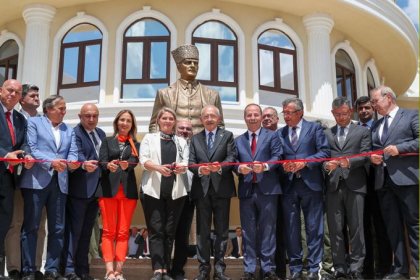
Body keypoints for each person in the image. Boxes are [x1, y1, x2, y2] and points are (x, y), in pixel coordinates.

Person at [20, 95, 79, 280]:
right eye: (60, 108)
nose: (64, 111)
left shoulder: (69, 130)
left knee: (58, 228)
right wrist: (51, 163)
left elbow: (73, 153)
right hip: (37, 181)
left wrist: (71, 163)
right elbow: (32, 148)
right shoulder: (35, 123)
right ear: (48, 109)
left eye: (64, 108)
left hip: (60, 183)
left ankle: (51, 269)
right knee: (31, 226)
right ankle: (29, 269)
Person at [277, 98, 330, 280]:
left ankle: (314, 268)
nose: (285, 116)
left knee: (314, 228)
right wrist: (284, 166)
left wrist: (305, 163)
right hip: (289, 186)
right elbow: (278, 157)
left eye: (289, 112)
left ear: (300, 112)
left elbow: (324, 152)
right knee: (292, 229)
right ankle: (296, 268)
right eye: (284, 112)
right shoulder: (280, 133)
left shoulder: (314, 129)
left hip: (311, 185)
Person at [370, 86, 419, 280]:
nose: (373, 106)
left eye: (375, 101)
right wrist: (373, 158)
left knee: (415, 225)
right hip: (384, 182)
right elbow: (374, 149)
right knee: (393, 227)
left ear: (388, 97)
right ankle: (401, 269)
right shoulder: (376, 126)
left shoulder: (411, 116)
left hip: (407, 180)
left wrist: (400, 148)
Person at [323, 97, 371, 279]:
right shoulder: (327, 133)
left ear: (350, 111)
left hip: (356, 185)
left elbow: (367, 155)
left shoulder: (362, 131)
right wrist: (327, 166)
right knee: (335, 230)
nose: (341, 118)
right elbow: (323, 158)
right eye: (337, 115)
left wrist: (348, 162)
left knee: (356, 229)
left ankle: (356, 269)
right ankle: (340, 269)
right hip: (334, 186)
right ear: (332, 114)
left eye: (344, 114)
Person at [140, 107, 189, 280]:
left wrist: (180, 168)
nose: (168, 121)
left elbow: (185, 163)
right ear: (158, 121)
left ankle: (166, 270)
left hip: (176, 193)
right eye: (165, 118)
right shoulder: (149, 138)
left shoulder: (181, 141)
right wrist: (159, 168)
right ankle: (157, 269)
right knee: (156, 230)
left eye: (171, 118)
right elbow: (144, 160)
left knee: (169, 232)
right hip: (153, 192)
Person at [188, 105, 237, 280]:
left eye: (212, 116)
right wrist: (201, 170)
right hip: (202, 190)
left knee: (222, 231)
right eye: (206, 116)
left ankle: (219, 269)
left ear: (218, 118)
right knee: (202, 232)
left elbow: (232, 157)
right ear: (201, 120)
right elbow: (191, 162)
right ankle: (203, 269)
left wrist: (219, 167)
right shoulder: (195, 139)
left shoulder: (228, 136)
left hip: (222, 189)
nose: (209, 119)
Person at [235, 104, 282, 280]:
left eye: (256, 114)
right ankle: (249, 270)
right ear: (245, 118)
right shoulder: (238, 140)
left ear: (261, 117)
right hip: (247, 190)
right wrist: (240, 169)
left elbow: (278, 157)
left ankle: (268, 268)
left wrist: (265, 166)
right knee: (248, 232)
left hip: (268, 190)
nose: (253, 117)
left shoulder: (273, 136)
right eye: (249, 115)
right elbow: (233, 162)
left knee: (268, 231)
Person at [5, 83, 46, 280]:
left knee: (37, 226)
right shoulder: (16, 117)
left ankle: (34, 267)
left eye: (38, 96)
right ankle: (14, 268)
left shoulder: (44, 121)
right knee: (16, 223)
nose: (37, 99)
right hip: (15, 178)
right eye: (32, 95)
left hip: (39, 181)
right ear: (22, 99)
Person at [62, 103, 106, 280]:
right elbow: (76, 154)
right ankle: (69, 269)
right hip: (79, 191)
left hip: (96, 191)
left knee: (88, 232)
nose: (91, 119)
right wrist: (83, 163)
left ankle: (83, 269)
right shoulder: (75, 133)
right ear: (80, 117)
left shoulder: (101, 133)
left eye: (95, 116)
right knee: (74, 231)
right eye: (88, 116)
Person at [97, 109, 140, 280]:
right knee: (108, 232)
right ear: (117, 122)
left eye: (128, 121)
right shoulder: (107, 141)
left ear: (132, 125)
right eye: (122, 120)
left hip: (128, 192)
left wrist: (127, 165)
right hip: (108, 190)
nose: (125, 123)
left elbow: (135, 161)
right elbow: (102, 160)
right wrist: (109, 165)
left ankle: (119, 271)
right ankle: (109, 271)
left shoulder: (136, 143)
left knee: (123, 232)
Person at [354, 96, 392, 279]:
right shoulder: (353, 130)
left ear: (373, 109)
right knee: (362, 228)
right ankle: (367, 269)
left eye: (367, 108)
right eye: (360, 108)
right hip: (358, 185)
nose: (364, 111)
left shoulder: (381, 127)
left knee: (381, 226)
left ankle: (385, 267)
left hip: (378, 182)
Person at [149, 44, 224, 135]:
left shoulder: (212, 95)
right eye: (188, 62)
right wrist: (157, 144)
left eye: (195, 63)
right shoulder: (164, 93)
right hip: (173, 145)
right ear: (178, 66)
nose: (192, 65)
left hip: (203, 146)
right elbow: (154, 124)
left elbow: (220, 125)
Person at [0, 80, 33, 280]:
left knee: (4, 225)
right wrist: (5, 155)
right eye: (9, 90)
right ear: (1, 91)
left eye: (17, 92)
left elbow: (24, 144)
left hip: (9, 180)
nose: (13, 94)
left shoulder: (21, 119)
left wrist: (26, 157)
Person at [261, 107, 286, 279]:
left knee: (282, 231)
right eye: (264, 116)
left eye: (270, 116)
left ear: (277, 119)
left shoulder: (284, 135)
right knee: (264, 232)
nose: (266, 119)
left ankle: (280, 271)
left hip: (286, 189)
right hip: (263, 191)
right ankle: (265, 270)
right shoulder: (258, 137)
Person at [171, 119, 195, 280]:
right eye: (181, 128)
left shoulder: (195, 147)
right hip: (169, 195)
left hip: (188, 196)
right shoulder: (168, 143)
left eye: (188, 128)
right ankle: (162, 269)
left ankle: (178, 271)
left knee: (182, 235)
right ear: (175, 129)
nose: (185, 130)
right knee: (166, 233)